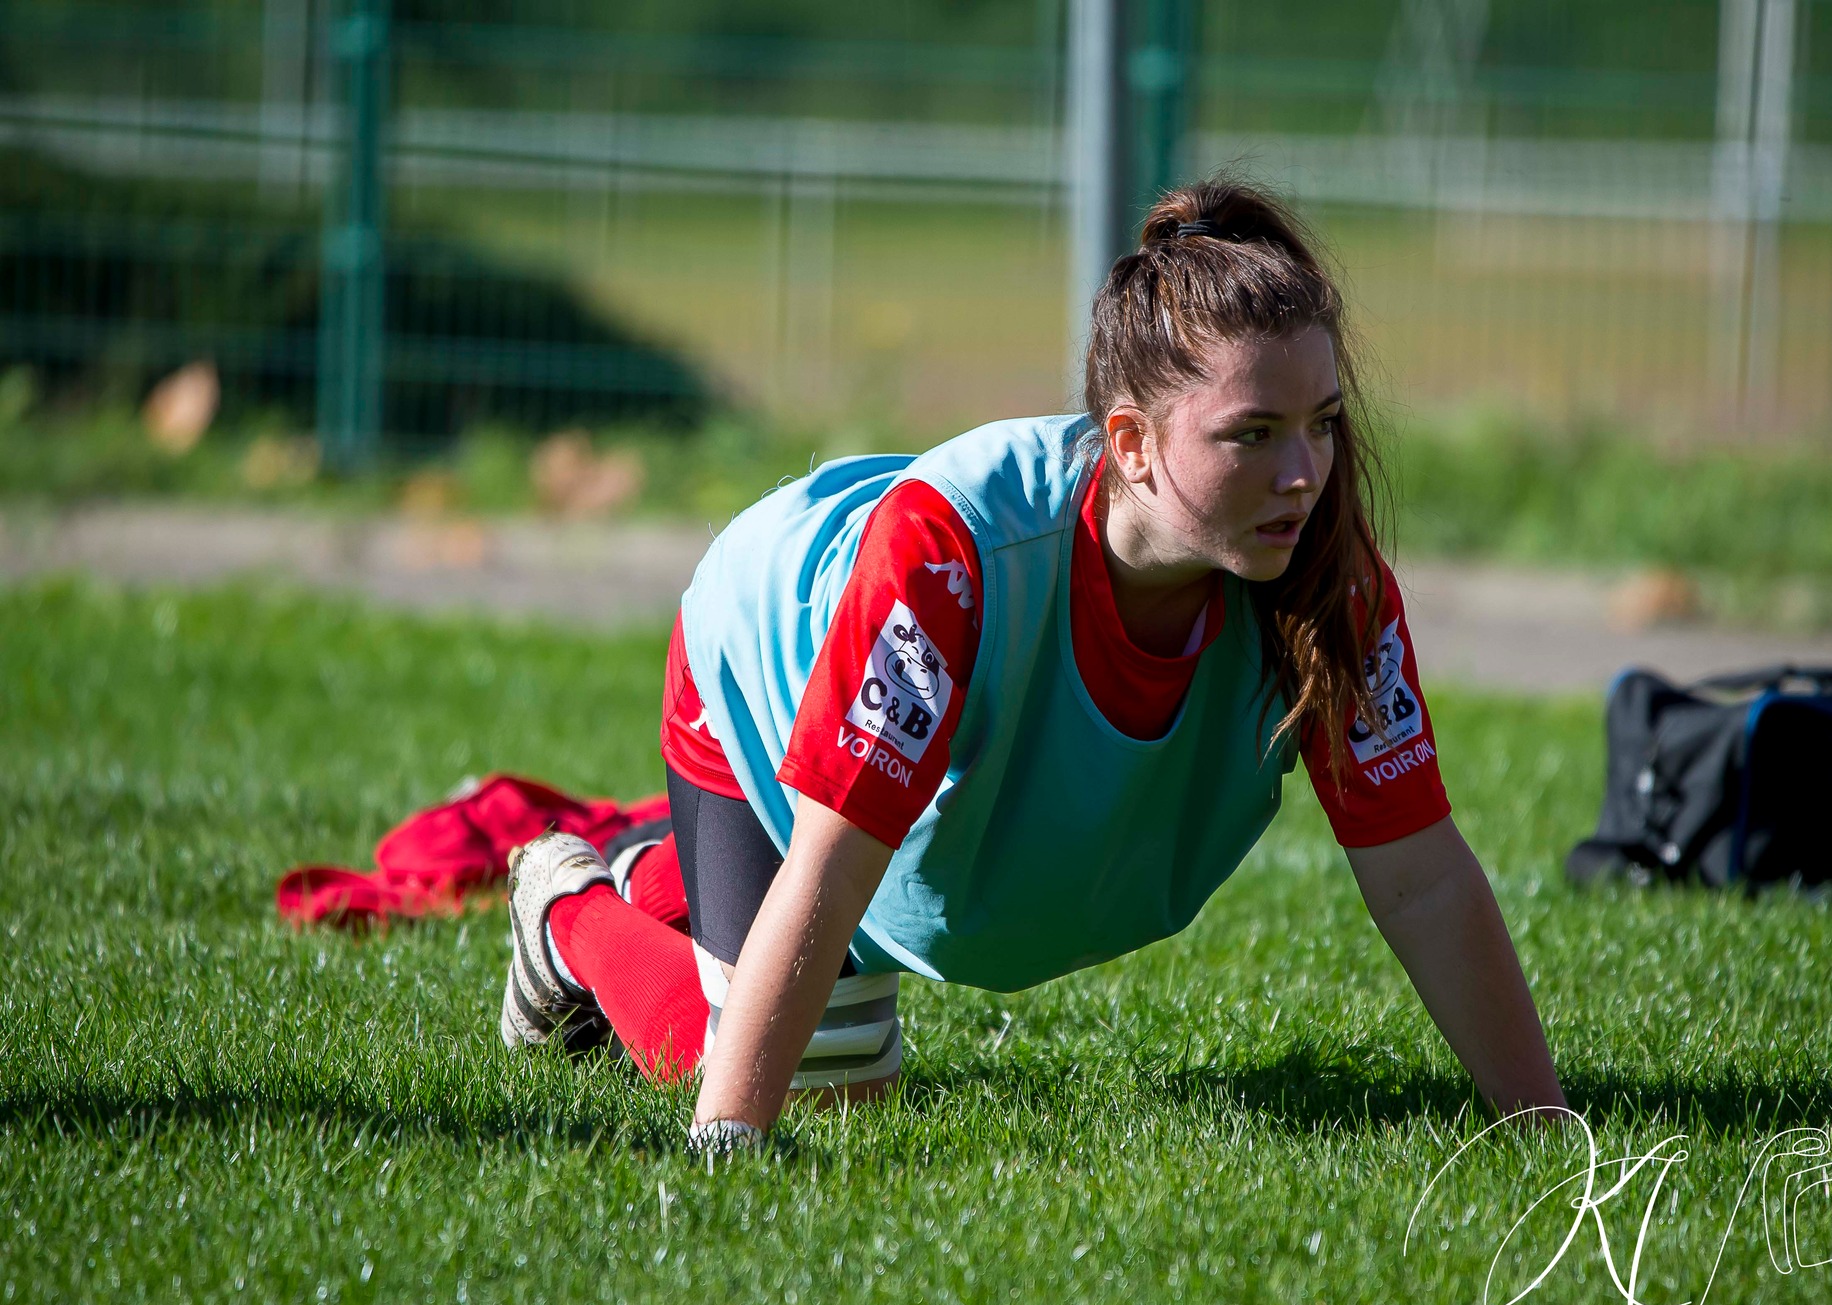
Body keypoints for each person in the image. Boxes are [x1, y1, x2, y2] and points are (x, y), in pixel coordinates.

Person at [498, 178, 1568, 1154]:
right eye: (1251, 435)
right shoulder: (954, 555)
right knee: (794, 1070)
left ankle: (661, 875)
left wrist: (1542, 1127)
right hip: (762, 680)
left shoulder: (1323, 579)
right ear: (1132, 443)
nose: (1302, 475)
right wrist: (727, 1142)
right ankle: (569, 903)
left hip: (888, 815)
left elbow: (1420, 874)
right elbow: (831, 864)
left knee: (803, 1013)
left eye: (1322, 425)